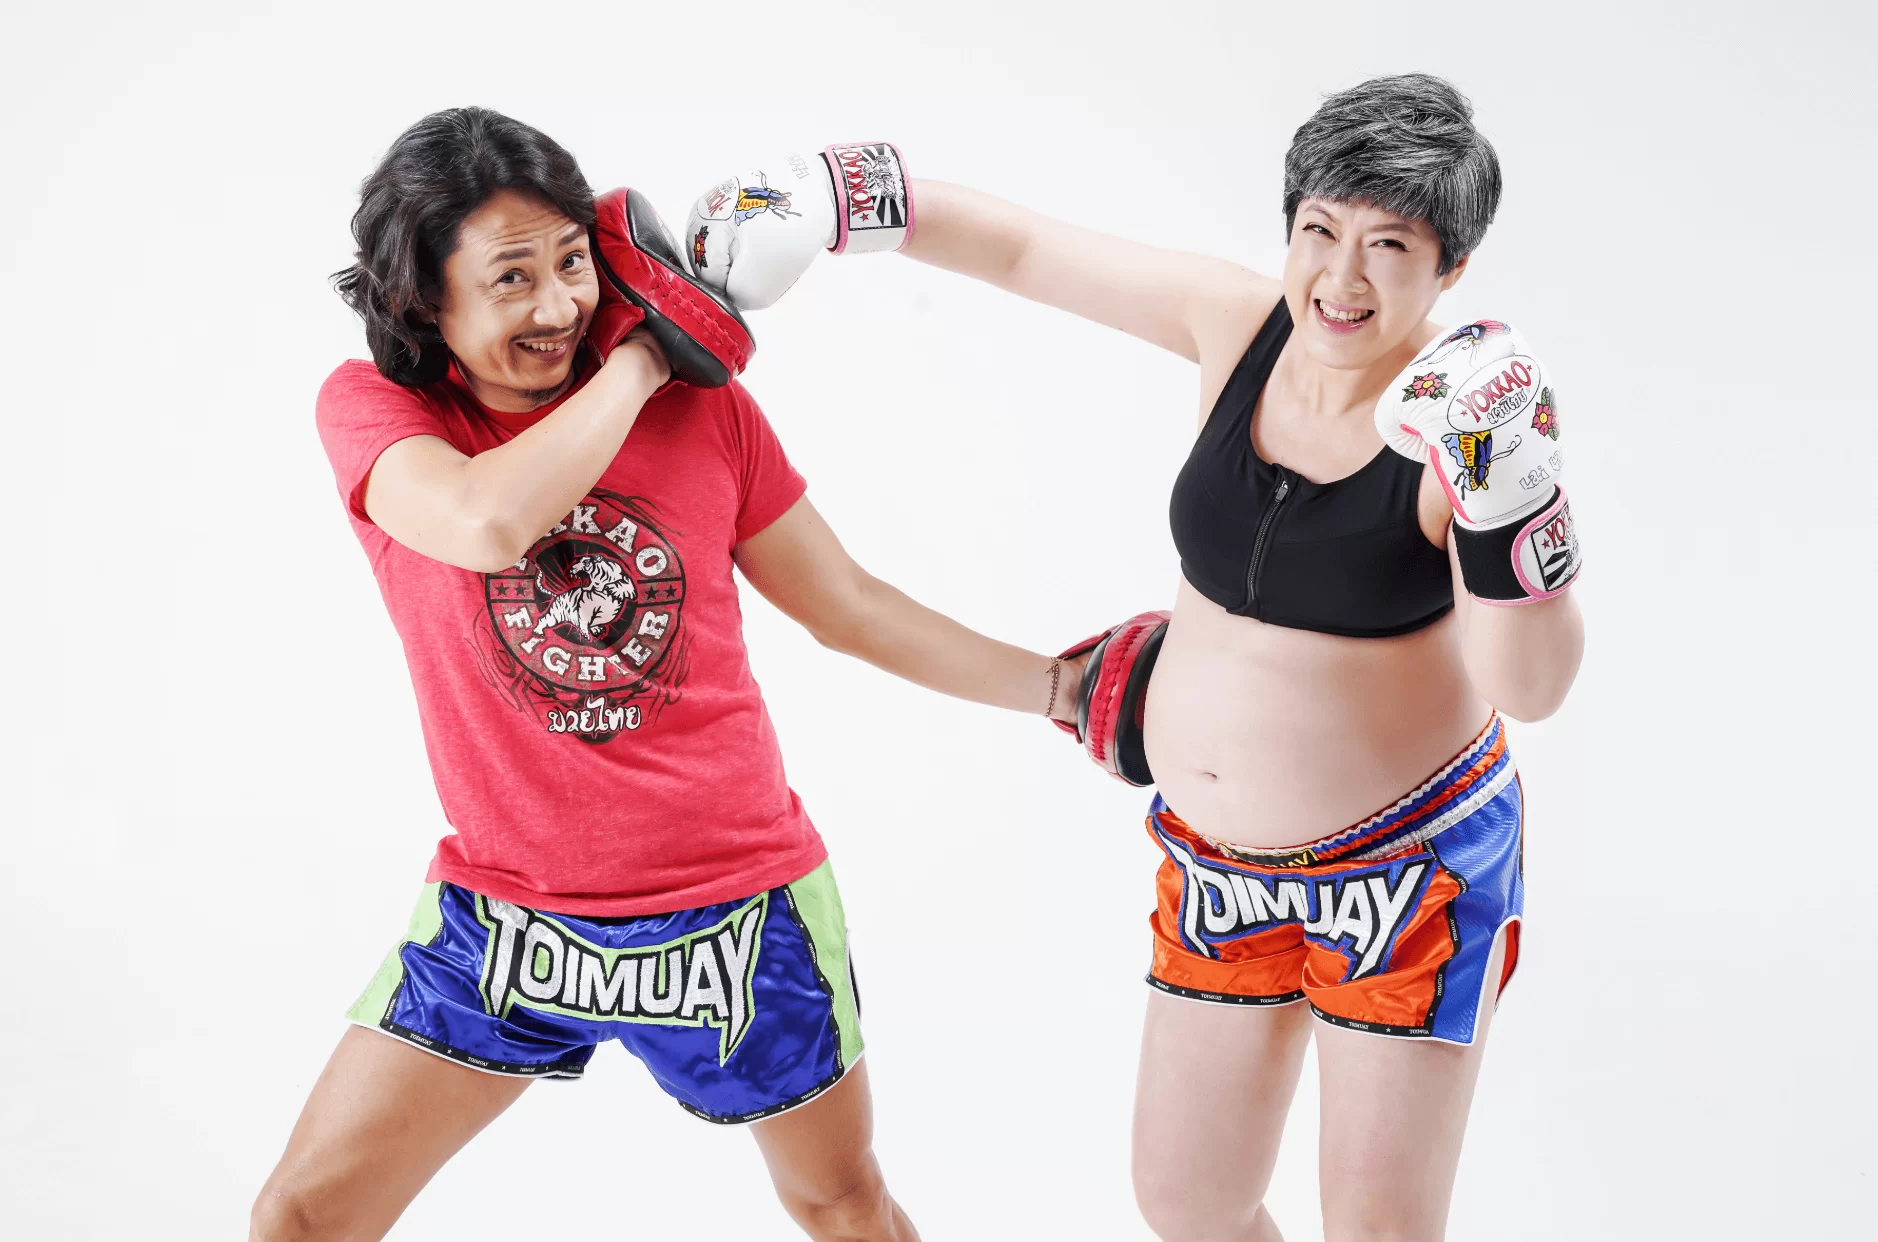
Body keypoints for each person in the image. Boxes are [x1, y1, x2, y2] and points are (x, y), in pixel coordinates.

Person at [690, 75, 1585, 1241]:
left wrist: (1511, 498)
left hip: (1407, 875)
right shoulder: (1240, 324)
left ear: (1450, 269)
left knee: (1377, 1229)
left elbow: (1531, 689)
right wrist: (838, 196)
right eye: (1321, 231)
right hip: (1218, 866)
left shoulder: (1460, 424)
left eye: (1390, 247)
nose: (1343, 277)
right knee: (1191, 1201)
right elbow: (1025, 251)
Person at [252, 107, 1082, 1242]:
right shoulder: (382, 414)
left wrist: (1061, 690)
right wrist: (648, 353)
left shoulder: (705, 410)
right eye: (511, 278)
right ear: (421, 300)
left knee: (839, 1201)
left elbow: (848, 606)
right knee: (302, 1215)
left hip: (738, 912)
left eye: (573, 261)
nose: (558, 307)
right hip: (507, 915)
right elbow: (485, 522)